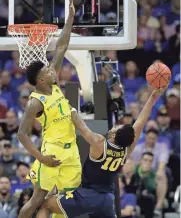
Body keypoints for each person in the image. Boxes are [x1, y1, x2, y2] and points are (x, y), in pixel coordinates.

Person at [36, 88, 166, 218]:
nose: (113, 127)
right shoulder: (127, 150)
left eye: (116, 127)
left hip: (88, 195)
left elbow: (79, 123)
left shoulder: (99, 143)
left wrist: (61, 100)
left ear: (114, 135)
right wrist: (153, 97)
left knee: (46, 205)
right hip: (107, 200)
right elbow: (141, 122)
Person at [17, 0, 82, 218]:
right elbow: (22, 134)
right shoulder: (35, 102)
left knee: (68, 200)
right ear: (40, 80)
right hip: (52, 152)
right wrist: (41, 157)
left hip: (71, 150)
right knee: (37, 199)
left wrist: (70, 18)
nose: (53, 70)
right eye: (48, 70)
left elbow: (62, 45)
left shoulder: (53, 85)